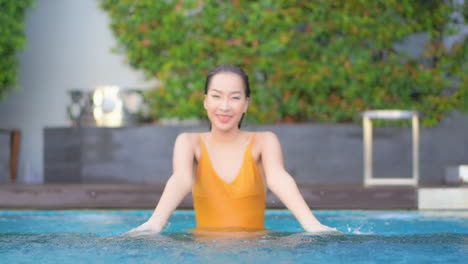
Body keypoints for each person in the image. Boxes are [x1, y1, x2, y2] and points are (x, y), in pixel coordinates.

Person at [126, 65, 337, 235]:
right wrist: (155, 223)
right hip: (203, 254)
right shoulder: (189, 142)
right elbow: (181, 179)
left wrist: (313, 225)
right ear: (205, 100)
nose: (225, 106)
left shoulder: (264, 142)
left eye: (235, 98)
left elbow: (278, 178)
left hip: (255, 253)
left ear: (246, 104)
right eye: (217, 96)